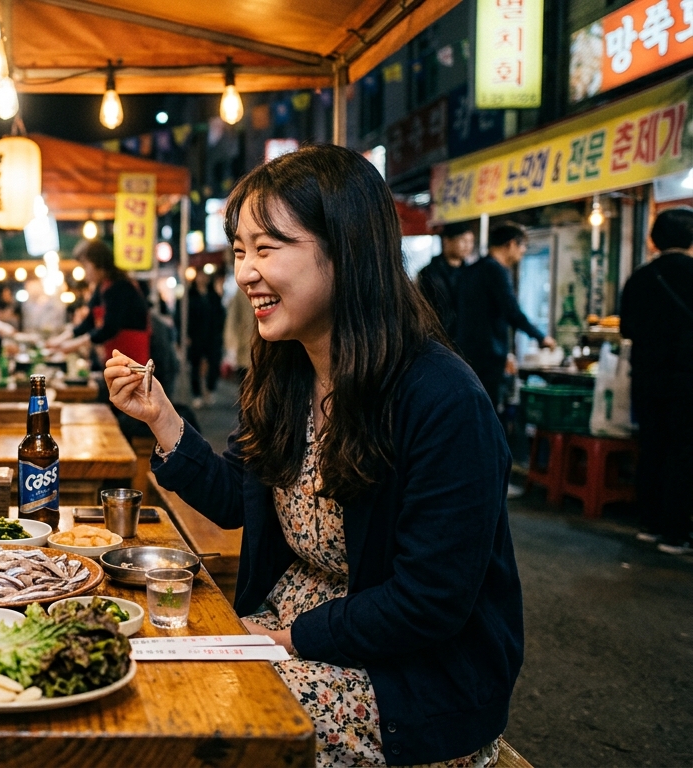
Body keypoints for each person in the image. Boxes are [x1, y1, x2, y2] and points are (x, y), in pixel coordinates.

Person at [104, 145, 522, 766]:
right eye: (240, 250)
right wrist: (162, 418)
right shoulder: (288, 372)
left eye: (268, 248)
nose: (246, 272)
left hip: (403, 681)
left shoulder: (441, 397)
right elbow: (238, 499)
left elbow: (429, 600)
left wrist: (278, 639)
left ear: (347, 249)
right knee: (127, 677)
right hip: (286, 630)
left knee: (172, 726)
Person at [620, 207, 693, 555]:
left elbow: (626, 329)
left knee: (651, 446)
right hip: (686, 378)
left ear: (653, 240)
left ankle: (648, 523)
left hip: (647, 378)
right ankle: (675, 533)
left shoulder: (639, 279)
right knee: (682, 451)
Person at [452, 222, 556, 410]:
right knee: (487, 408)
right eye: (522, 245)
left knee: (471, 407)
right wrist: (540, 337)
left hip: (467, 351)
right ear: (511, 244)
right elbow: (512, 311)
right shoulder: (496, 270)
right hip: (488, 355)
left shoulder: (472, 270)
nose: (523, 251)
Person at [48, 239, 150, 365]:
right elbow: (89, 322)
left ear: (98, 263)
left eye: (85, 266)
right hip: (114, 354)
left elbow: (110, 327)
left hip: (132, 355)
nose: (85, 273)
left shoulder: (121, 286)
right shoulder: (101, 288)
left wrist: (74, 344)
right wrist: (61, 339)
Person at [417, 221, 476, 340]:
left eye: (471, 241)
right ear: (447, 241)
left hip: (466, 340)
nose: (468, 246)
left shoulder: (471, 273)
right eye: (463, 240)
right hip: (438, 337)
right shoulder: (429, 272)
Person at [186, 269, 225, 408]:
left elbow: (221, 315)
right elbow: (183, 317)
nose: (202, 278)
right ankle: (197, 394)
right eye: (200, 275)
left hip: (212, 335)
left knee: (214, 362)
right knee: (195, 365)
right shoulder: (190, 296)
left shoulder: (214, 296)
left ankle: (210, 389)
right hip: (195, 336)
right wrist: (185, 336)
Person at [223, 277, 255, 378]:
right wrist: (231, 347)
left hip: (262, 354)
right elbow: (232, 320)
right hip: (246, 350)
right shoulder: (241, 292)